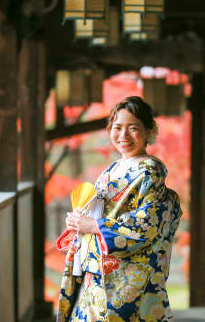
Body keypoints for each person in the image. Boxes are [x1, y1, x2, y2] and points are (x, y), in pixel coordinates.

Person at [57, 96, 182, 322]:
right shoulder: (113, 169)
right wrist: (79, 222)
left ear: (149, 132)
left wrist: (95, 225)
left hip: (125, 277)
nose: (123, 136)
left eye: (133, 128)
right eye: (117, 128)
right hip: (97, 274)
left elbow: (147, 223)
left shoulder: (149, 172)